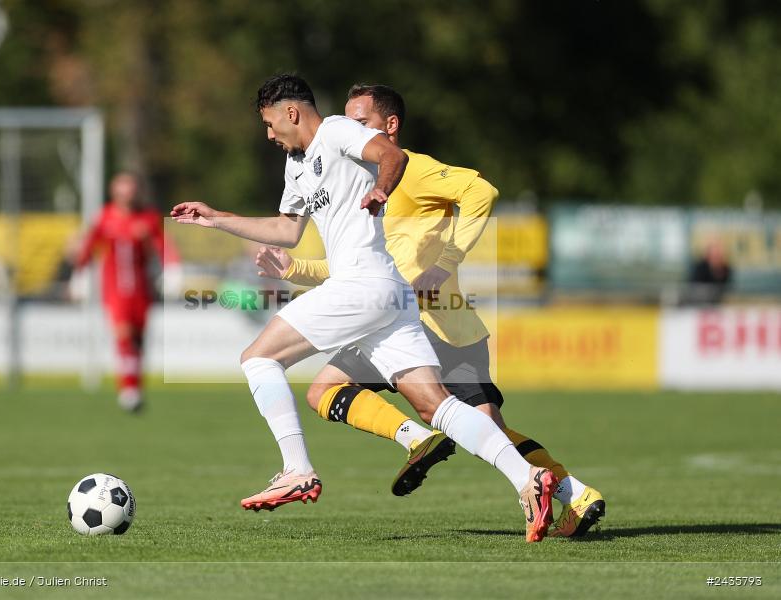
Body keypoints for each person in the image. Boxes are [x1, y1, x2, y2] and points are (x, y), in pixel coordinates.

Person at [172, 74, 557, 542]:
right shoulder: (297, 166)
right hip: (389, 296)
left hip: (362, 284)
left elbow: (392, 155)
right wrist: (216, 219)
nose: (269, 135)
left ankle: (297, 469)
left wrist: (382, 189)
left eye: (271, 124)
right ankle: (529, 479)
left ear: (292, 112)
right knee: (437, 407)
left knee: (258, 357)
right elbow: (286, 230)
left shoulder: (337, 130)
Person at [255, 83, 606, 538]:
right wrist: (294, 266)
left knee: (475, 424)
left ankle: (568, 491)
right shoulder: (352, 174)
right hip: (396, 311)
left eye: (359, 123)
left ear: (390, 126)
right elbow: (356, 262)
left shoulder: (410, 169)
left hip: (439, 322)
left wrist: (446, 263)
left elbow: (481, 190)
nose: (347, 130)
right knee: (331, 391)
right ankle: (556, 487)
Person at [75, 172, 181, 412]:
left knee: (138, 340)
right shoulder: (104, 217)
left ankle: (135, 387)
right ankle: (128, 388)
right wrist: (79, 274)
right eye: (122, 189)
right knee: (123, 334)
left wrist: (172, 268)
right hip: (114, 288)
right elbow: (89, 246)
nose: (127, 194)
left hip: (141, 288)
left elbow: (163, 244)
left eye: (131, 189)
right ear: (114, 192)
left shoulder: (148, 217)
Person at [687, 239, 732, 305]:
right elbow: (694, 287)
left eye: (718, 254)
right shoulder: (700, 267)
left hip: (718, 303)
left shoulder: (726, 269)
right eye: (714, 254)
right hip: (698, 302)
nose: (716, 256)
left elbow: (726, 288)